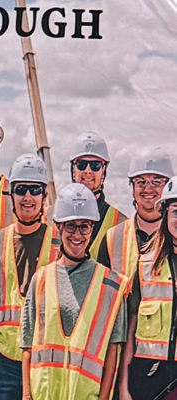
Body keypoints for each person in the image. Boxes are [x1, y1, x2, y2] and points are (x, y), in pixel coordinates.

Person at [22, 183, 130, 400]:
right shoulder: (40, 280)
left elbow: (112, 352)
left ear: (92, 228)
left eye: (84, 226)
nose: (77, 234)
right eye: (70, 226)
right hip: (44, 394)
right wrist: (26, 395)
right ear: (58, 227)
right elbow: (27, 344)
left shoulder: (110, 286)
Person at [0, 153, 59, 400]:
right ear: (11, 194)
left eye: (35, 190)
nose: (27, 197)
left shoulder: (58, 243)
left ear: (44, 195)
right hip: (3, 360)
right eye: (21, 189)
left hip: (44, 361)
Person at [122, 179, 177, 399]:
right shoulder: (145, 265)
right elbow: (130, 328)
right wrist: (123, 387)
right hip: (147, 380)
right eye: (176, 211)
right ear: (165, 215)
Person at [69, 133, 128, 261]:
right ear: (73, 170)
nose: (88, 171)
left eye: (95, 165)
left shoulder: (121, 223)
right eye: (81, 164)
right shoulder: (50, 218)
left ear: (103, 171)